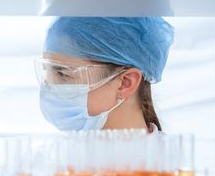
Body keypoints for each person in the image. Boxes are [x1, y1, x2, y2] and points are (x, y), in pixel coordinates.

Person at [36, 17, 174, 132]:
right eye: (46, 71)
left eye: (63, 74)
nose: (49, 87)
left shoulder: (166, 164)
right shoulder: (50, 159)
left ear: (125, 83)